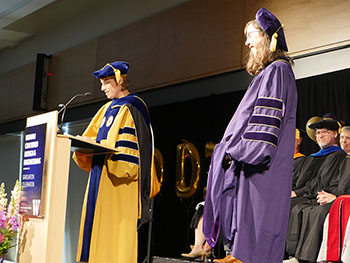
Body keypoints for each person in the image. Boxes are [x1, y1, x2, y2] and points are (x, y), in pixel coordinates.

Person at [203, 7, 297, 263]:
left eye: (251, 35)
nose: (246, 43)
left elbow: (263, 133)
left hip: (259, 170)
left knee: (257, 236)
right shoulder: (272, 72)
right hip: (250, 167)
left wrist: (234, 150)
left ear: (267, 37)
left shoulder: (277, 71)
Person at [72, 61, 160, 263]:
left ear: (120, 82)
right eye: (102, 83)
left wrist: (100, 147)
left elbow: (129, 158)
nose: (103, 88)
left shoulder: (134, 107)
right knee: (95, 232)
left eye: (107, 82)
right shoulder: (106, 109)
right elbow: (91, 137)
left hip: (119, 184)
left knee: (113, 236)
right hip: (100, 177)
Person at [285, 114, 348, 263]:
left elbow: (322, 182)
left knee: (304, 209)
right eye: (318, 133)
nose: (319, 135)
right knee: (287, 205)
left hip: (322, 194)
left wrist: (298, 192)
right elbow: (303, 181)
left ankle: (301, 257)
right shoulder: (314, 156)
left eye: (324, 132)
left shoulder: (337, 155)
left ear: (334, 134)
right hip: (312, 193)